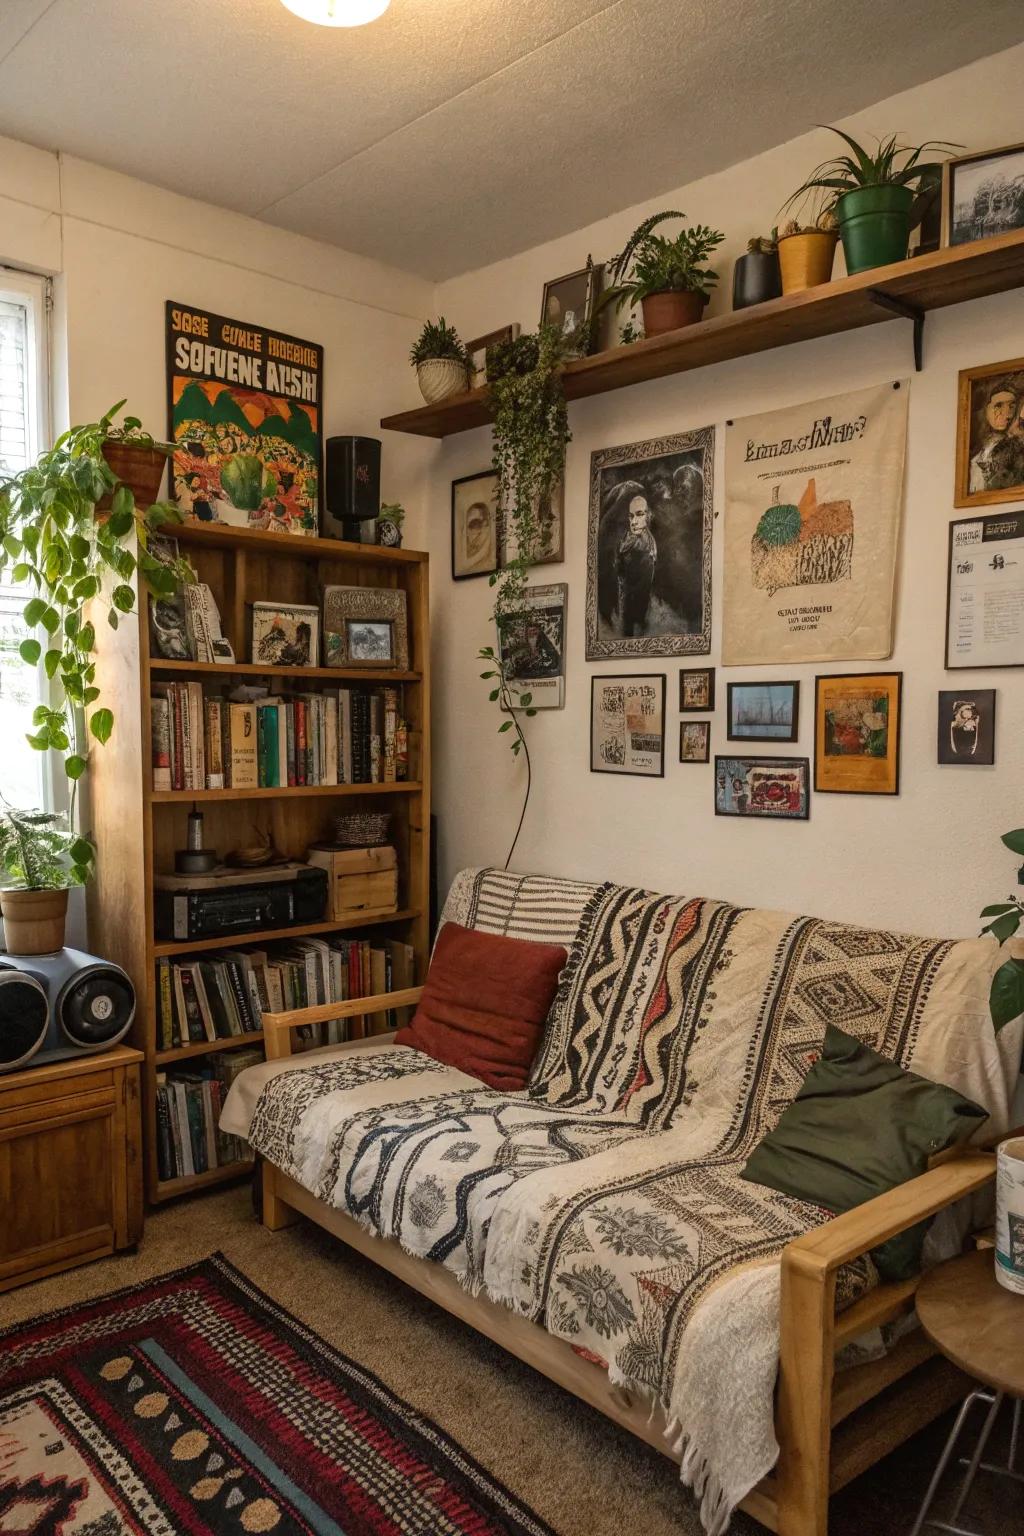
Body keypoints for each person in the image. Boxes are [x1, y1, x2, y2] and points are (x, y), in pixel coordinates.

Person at [969, 380, 1024, 492]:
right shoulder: (979, 450)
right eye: (998, 406)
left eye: (1011, 406)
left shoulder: (1016, 448)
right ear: (985, 409)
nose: (1007, 414)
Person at [615, 496, 657, 636]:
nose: (634, 522)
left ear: (648, 516)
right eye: (631, 516)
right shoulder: (625, 541)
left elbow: (642, 587)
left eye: (639, 515)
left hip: (638, 610)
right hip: (622, 604)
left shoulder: (648, 546)